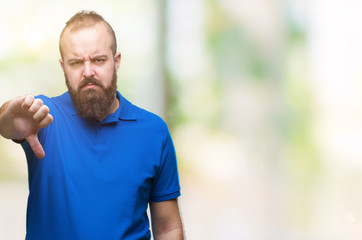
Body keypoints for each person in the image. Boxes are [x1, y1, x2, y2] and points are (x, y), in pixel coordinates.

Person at [0, 10, 184, 240]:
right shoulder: (43, 117)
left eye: (98, 60)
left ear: (116, 62)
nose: (88, 72)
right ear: (63, 66)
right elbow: (8, 123)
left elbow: (168, 228)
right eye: (76, 62)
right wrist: (9, 116)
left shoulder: (153, 132)